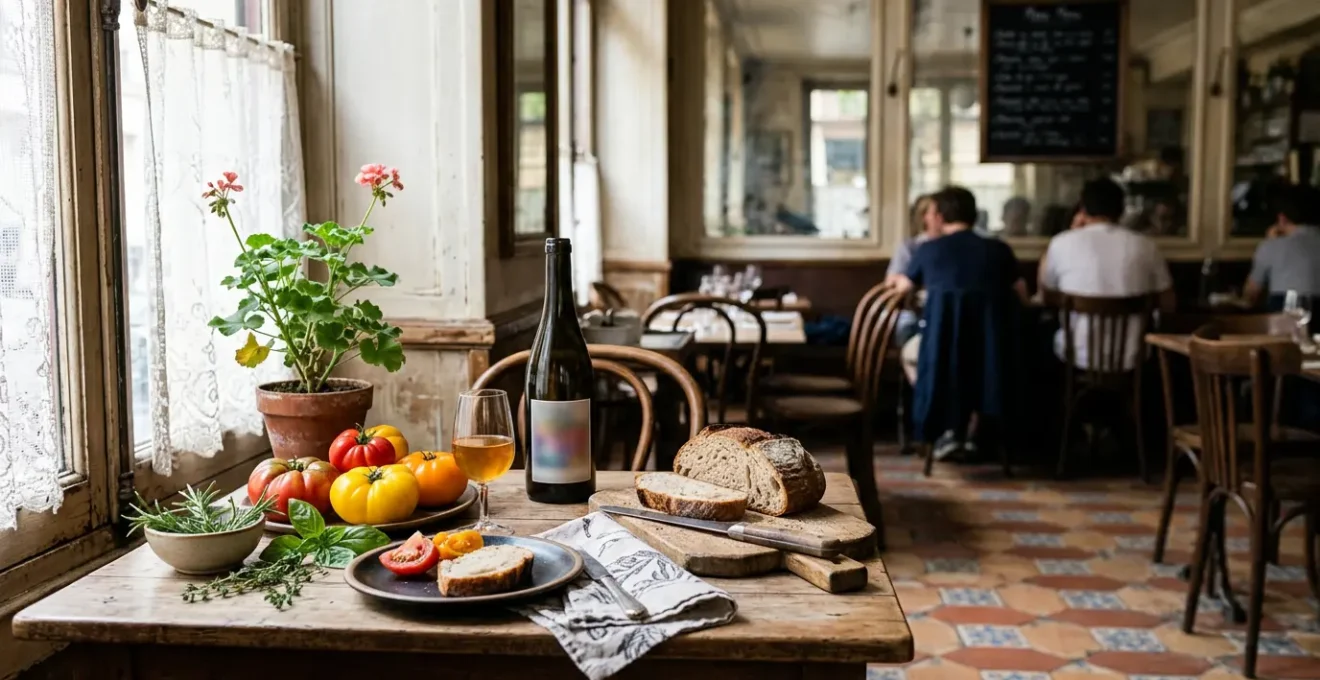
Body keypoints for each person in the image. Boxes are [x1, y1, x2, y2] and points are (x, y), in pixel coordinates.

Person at [893, 186, 1028, 460]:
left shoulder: (928, 250)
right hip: (992, 354)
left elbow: (901, 290)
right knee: (976, 363)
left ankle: (946, 428)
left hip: (942, 351)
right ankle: (974, 431)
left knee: (911, 355)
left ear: (940, 217)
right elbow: (1023, 295)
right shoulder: (999, 250)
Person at [1039, 178, 1174, 370]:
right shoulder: (1146, 246)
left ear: (1083, 209)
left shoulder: (1061, 243)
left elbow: (1046, 296)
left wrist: (1070, 235)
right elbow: (1168, 303)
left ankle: (1066, 399)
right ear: (1122, 210)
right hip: (1132, 357)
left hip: (1077, 356)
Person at [1242, 183, 1320, 320]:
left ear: (1282, 218)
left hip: (1283, 324)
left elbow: (1250, 295)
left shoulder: (1271, 246)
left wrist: (1270, 243)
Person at [886, 195, 937, 346]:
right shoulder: (911, 246)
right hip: (916, 313)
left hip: (948, 312)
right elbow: (891, 282)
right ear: (924, 217)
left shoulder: (955, 247)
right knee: (906, 325)